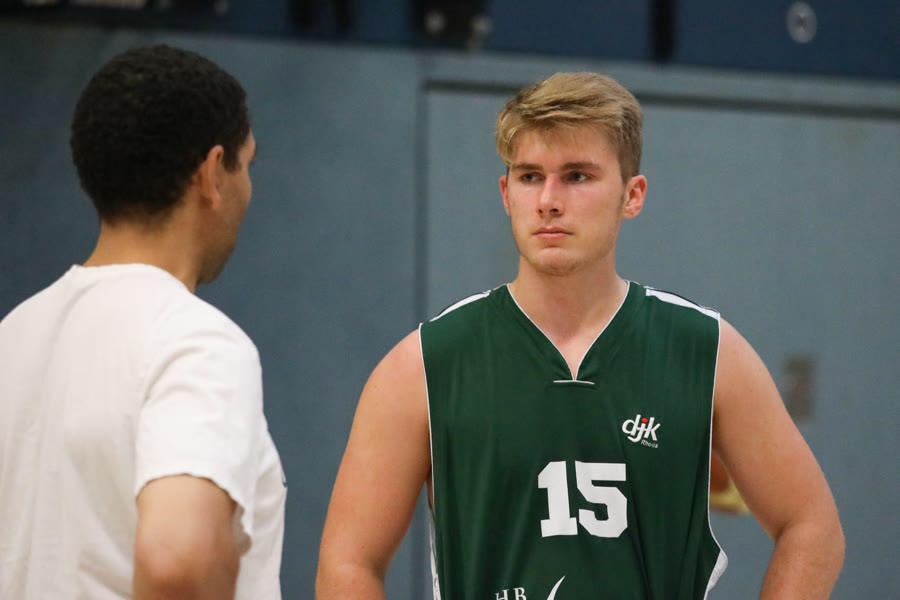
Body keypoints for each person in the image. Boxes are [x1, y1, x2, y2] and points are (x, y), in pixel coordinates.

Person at [317, 72, 844, 599]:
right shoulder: (425, 365)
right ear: (505, 193)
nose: (548, 200)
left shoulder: (707, 351)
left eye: (577, 176)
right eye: (529, 176)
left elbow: (811, 526)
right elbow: (348, 562)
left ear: (632, 195)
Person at [0, 45, 285, 599]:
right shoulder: (195, 343)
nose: (247, 190)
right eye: (246, 166)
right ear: (211, 174)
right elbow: (179, 561)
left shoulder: (12, 336)